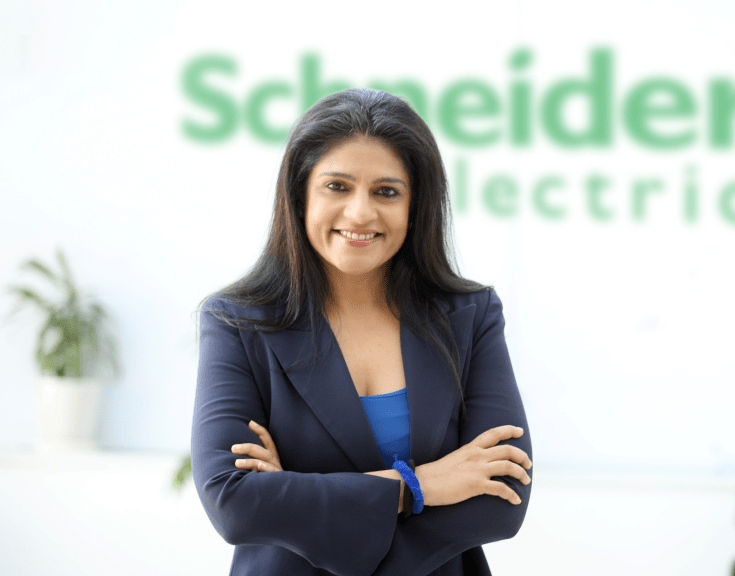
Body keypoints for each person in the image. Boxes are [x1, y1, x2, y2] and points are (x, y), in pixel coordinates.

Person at [191, 88, 532, 576]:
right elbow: (235, 503)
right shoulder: (237, 322)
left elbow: (502, 499)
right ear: (300, 194)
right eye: (337, 186)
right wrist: (419, 486)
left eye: (386, 192)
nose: (360, 213)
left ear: (416, 205)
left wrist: (299, 498)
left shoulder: (469, 316)